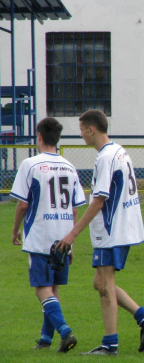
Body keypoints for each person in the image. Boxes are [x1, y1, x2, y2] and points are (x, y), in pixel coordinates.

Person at [57, 109, 144, 355]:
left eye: (82, 129)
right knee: (101, 283)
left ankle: (110, 345)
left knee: (104, 286)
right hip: (122, 229)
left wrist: (73, 234)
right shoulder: (119, 150)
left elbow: (99, 201)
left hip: (111, 231)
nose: (81, 134)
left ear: (91, 129)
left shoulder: (105, 157)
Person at [10, 117, 86, 353]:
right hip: (63, 237)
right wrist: (71, 243)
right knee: (53, 288)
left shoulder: (30, 165)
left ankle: (64, 331)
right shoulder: (70, 167)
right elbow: (74, 208)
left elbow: (22, 205)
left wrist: (15, 230)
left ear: (39, 136)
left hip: (41, 235)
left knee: (42, 288)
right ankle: (45, 340)